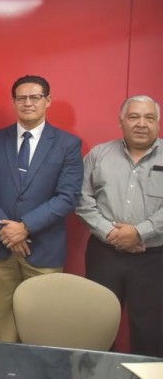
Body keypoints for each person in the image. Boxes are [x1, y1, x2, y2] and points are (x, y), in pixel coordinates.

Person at [0, 75, 83, 343]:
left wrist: (25, 227)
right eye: (21, 98)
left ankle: (37, 372)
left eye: (35, 97)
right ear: (14, 102)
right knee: (3, 320)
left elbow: (68, 196)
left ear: (48, 101)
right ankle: (6, 370)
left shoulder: (68, 144)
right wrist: (6, 232)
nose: (28, 103)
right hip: (1, 247)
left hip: (44, 248)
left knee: (43, 324)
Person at [76, 95, 163, 357]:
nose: (141, 123)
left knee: (150, 330)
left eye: (149, 118)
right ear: (121, 121)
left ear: (158, 123)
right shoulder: (99, 155)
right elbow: (81, 198)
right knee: (99, 325)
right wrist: (111, 233)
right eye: (134, 117)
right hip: (105, 253)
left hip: (153, 257)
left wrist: (139, 232)